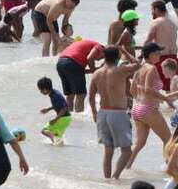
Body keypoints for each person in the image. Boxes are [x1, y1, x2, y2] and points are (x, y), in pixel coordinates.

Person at [88, 46, 140, 179]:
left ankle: (107, 179)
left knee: (108, 151)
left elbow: (91, 96)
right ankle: (115, 177)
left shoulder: (96, 73)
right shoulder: (120, 70)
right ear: (117, 57)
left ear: (104, 57)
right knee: (127, 151)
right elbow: (138, 64)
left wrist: (94, 112)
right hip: (118, 113)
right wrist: (126, 52)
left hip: (102, 113)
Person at [128, 42, 175, 170]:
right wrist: (165, 98)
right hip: (148, 109)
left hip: (137, 109)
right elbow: (148, 90)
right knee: (169, 140)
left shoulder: (140, 68)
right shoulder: (151, 68)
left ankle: (126, 167)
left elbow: (132, 90)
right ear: (151, 54)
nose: (160, 54)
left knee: (139, 143)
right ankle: (170, 170)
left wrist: (141, 100)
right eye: (158, 52)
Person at [55, 38, 103, 112]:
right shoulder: (98, 46)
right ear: (102, 50)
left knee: (70, 95)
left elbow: (79, 71)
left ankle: (68, 116)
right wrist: (94, 70)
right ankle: (78, 117)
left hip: (60, 63)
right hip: (72, 62)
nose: (98, 59)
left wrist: (94, 70)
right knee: (80, 94)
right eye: (102, 57)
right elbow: (90, 58)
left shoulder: (84, 46)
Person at [37, 76, 71, 143]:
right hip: (67, 118)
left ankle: (53, 140)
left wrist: (55, 119)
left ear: (45, 89)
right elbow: (59, 105)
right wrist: (48, 109)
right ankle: (57, 147)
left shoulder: (55, 96)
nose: (40, 92)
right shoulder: (53, 93)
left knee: (44, 131)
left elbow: (64, 108)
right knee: (58, 138)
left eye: (40, 90)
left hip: (63, 118)